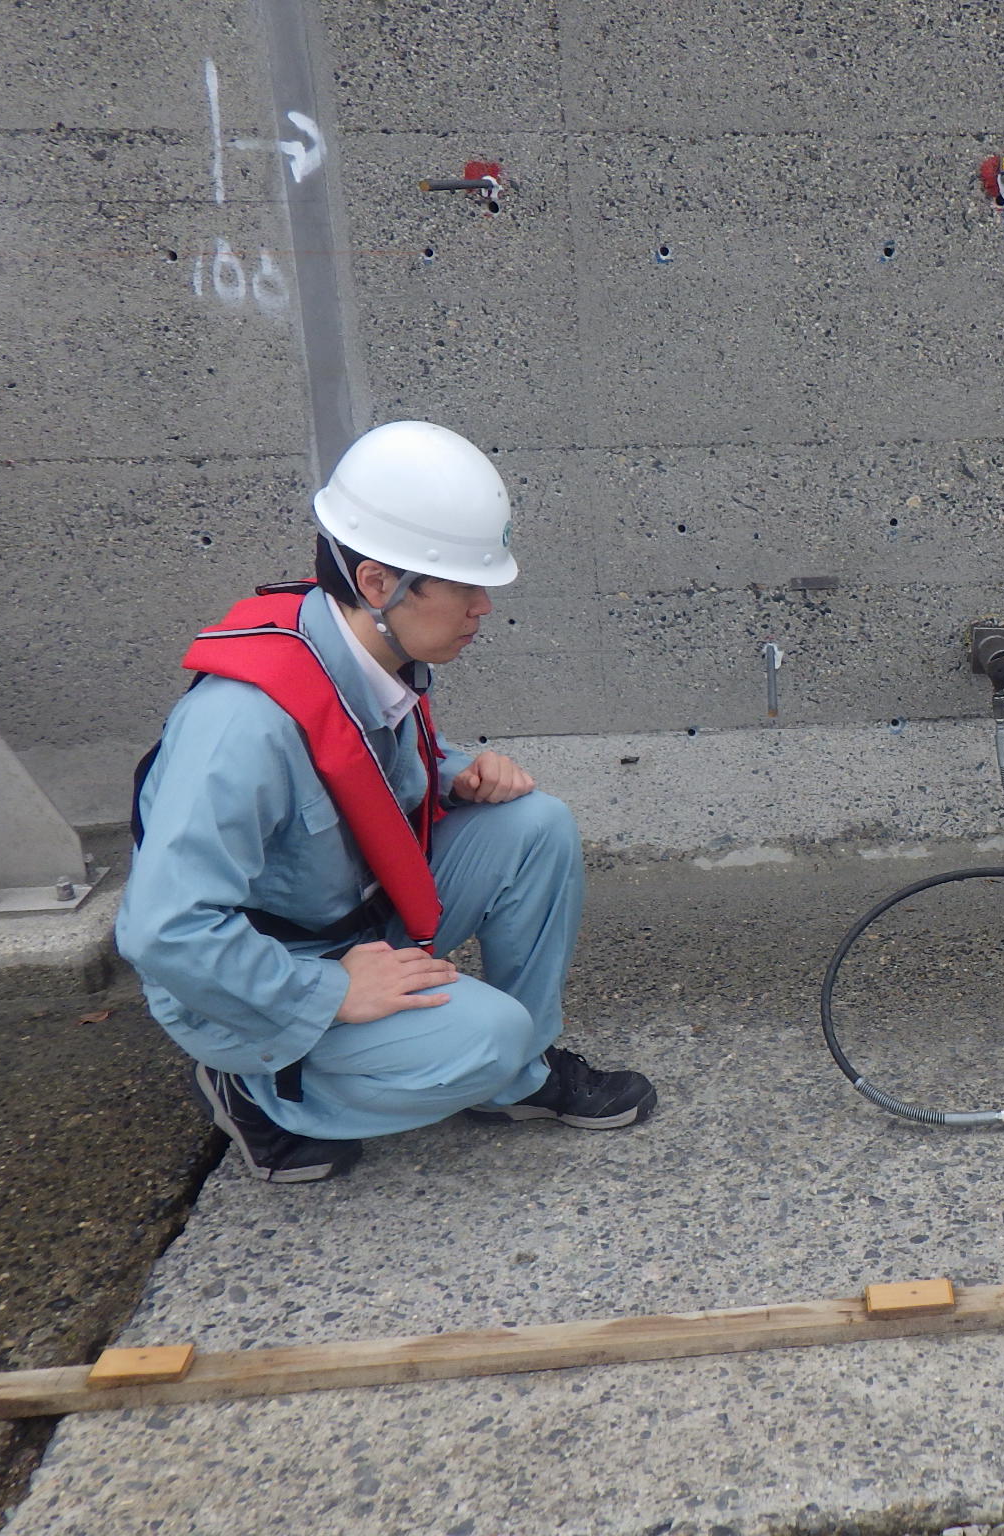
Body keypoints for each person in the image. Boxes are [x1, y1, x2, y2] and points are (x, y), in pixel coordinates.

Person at [119, 420, 655, 1184]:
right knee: (487, 1035)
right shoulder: (239, 726)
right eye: (465, 585)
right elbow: (163, 930)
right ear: (378, 584)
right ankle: (261, 1091)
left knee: (535, 826)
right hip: (258, 971)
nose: (482, 608)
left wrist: (455, 774)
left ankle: (518, 1080)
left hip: (355, 914)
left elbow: (354, 774)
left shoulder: (364, 649)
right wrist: (329, 991)